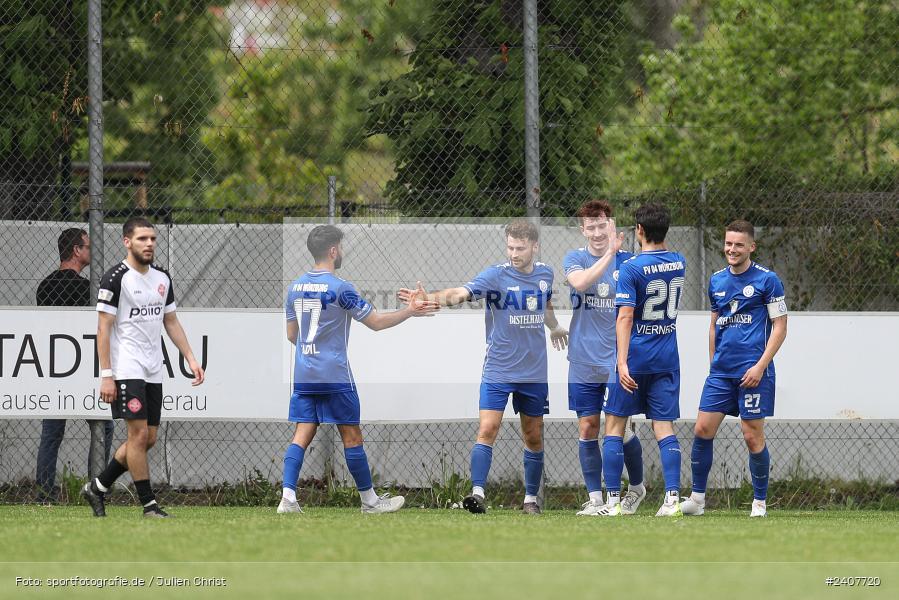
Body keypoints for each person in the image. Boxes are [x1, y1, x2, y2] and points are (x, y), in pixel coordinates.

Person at [399, 219, 568, 515]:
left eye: (520, 248)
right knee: (488, 428)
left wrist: (553, 327)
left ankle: (530, 499)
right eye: (510, 247)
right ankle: (477, 493)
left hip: (533, 373)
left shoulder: (546, 274)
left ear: (535, 246)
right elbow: (460, 293)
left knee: (533, 434)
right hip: (498, 370)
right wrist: (429, 298)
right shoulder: (495, 276)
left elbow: (546, 304)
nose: (514, 253)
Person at [277, 225, 439, 515]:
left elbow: (292, 335)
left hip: (304, 374)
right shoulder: (341, 288)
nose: (343, 252)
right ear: (333, 250)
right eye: (341, 246)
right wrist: (410, 311)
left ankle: (287, 498)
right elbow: (376, 322)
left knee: (302, 432)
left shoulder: (294, 287)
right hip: (335, 375)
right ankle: (369, 501)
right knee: (351, 435)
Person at [80, 217, 205, 518]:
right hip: (127, 368)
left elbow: (170, 321)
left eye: (152, 239)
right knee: (136, 437)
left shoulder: (162, 278)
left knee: (148, 439)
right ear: (127, 242)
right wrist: (106, 375)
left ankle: (97, 487)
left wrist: (189, 356)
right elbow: (103, 329)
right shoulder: (115, 278)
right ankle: (149, 505)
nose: (149, 244)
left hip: (153, 369)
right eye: (142, 239)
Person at [681, 220, 788, 518]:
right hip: (721, 373)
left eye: (739, 244)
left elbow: (780, 327)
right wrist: (713, 362)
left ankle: (759, 503)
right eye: (729, 243)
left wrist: (760, 365)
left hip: (754, 373)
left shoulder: (768, 280)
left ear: (751, 247)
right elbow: (714, 324)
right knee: (702, 429)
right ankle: (698, 500)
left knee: (752, 435)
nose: (732, 249)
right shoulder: (716, 281)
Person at [603, 203, 687, 517]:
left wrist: (622, 363)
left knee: (613, 427)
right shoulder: (679, 261)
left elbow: (624, 318)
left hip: (636, 359)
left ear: (639, 231)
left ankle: (611, 503)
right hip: (666, 358)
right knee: (664, 429)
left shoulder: (632, 268)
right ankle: (672, 500)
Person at [563, 201, 645, 516]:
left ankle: (636, 488)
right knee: (587, 427)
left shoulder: (631, 262)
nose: (597, 233)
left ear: (612, 226)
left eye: (602, 226)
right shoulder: (575, 258)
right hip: (583, 359)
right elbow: (581, 283)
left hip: (618, 360)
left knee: (621, 430)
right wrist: (609, 253)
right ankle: (596, 499)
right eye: (591, 227)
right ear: (583, 229)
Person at [35, 228, 114, 503]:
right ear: (76, 251)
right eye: (88, 246)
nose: (92, 251)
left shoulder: (44, 287)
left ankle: (44, 494)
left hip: (56, 372)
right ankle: (97, 489)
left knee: (51, 434)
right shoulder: (87, 289)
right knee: (104, 427)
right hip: (84, 373)